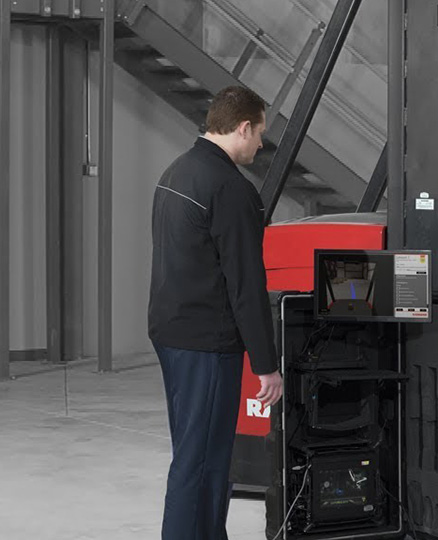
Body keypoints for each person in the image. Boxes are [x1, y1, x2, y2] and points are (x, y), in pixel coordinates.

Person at [148, 85, 283, 539]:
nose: (261, 144)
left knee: (199, 454)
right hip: (205, 342)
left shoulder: (177, 171)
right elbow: (246, 285)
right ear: (243, 127)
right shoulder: (229, 189)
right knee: (201, 459)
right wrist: (267, 366)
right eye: (260, 133)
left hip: (172, 331)